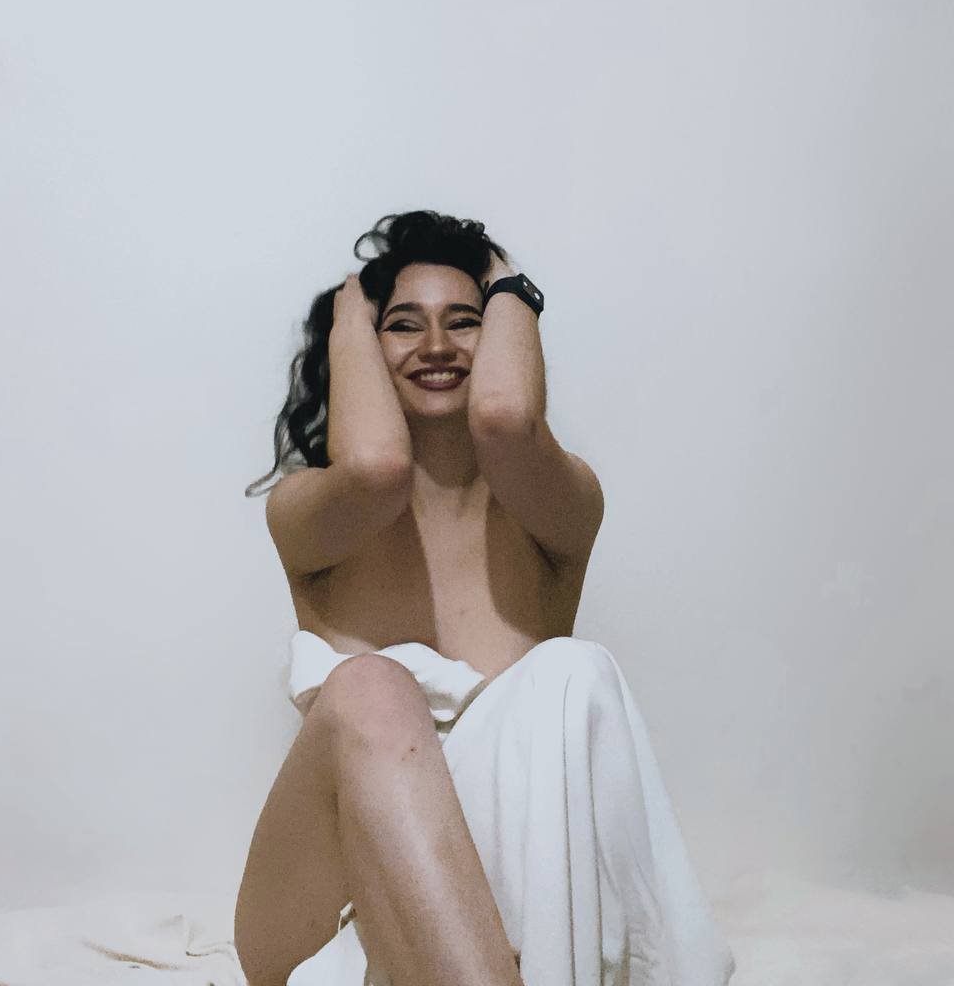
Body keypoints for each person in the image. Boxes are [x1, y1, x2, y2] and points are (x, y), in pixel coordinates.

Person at [234, 209, 735, 986]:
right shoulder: (308, 511)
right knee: (370, 687)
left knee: (576, 669)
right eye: (403, 325)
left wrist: (510, 285)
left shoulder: (560, 510)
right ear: (361, 344)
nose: (437, 345)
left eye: (464, 321)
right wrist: (347, 311)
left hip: (508, 913)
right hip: (328, 913)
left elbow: (504, 420)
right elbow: (375, 469)